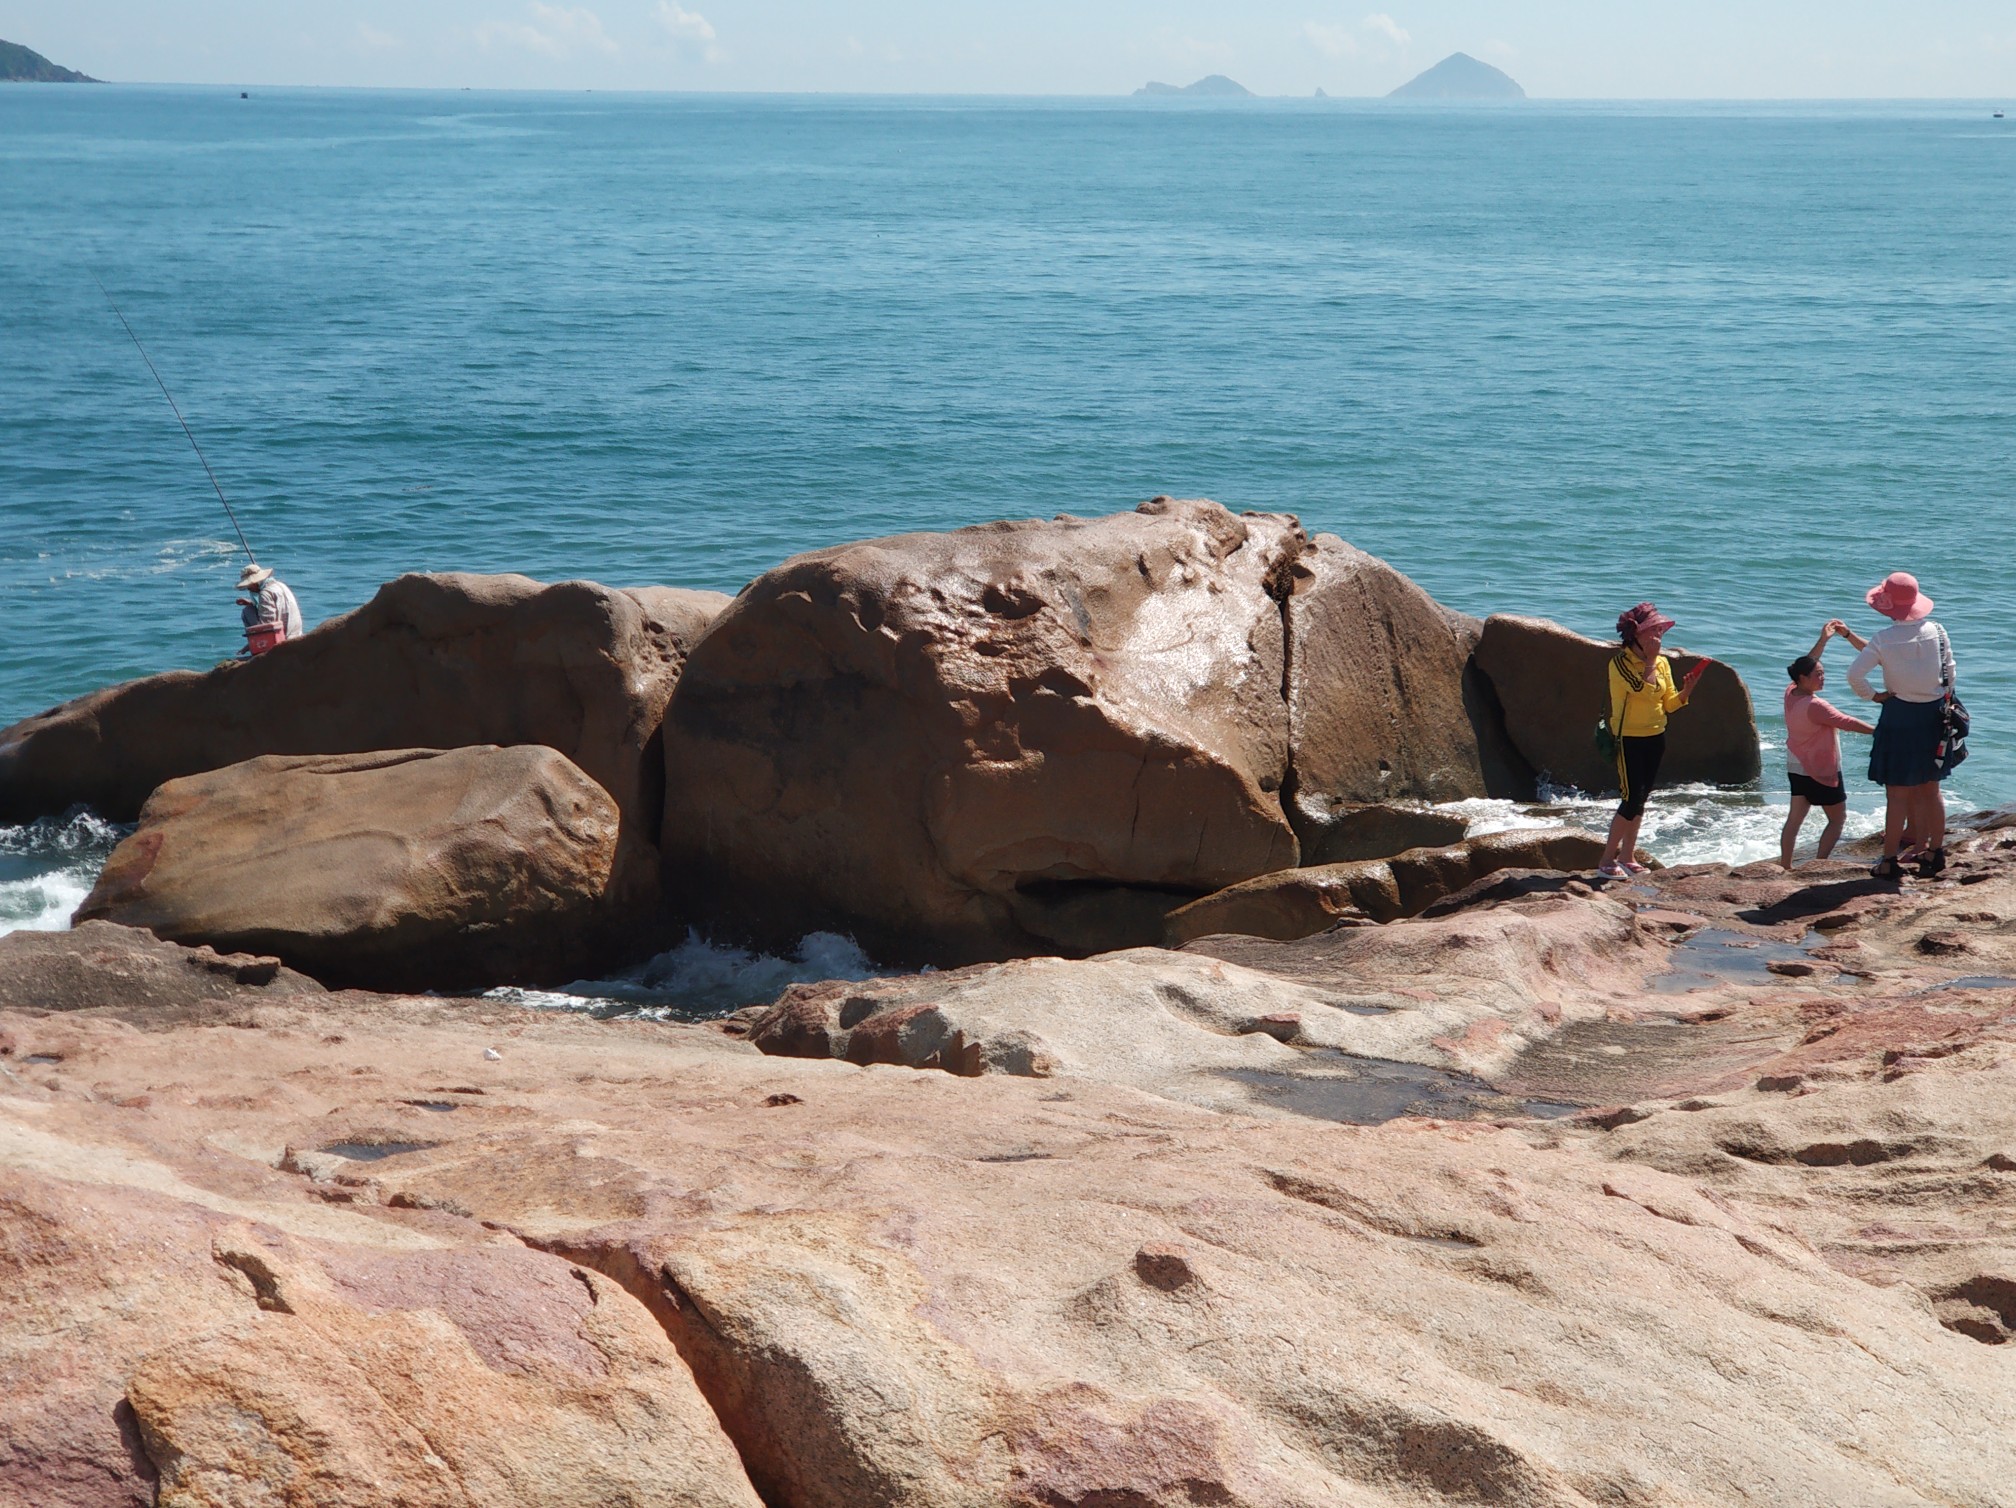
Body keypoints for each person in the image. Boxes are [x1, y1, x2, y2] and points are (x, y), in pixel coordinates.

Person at [1847, 571, 1957, 879]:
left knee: (1897, 796)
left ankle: (1888, 861)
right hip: (1934, 715)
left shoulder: (1883, 639)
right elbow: (1950, 672)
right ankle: (1935, 853)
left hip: (1899, 716)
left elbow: (1854, 676)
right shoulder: (1937, 630)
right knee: (1931, 789)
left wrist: (1875, 696)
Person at [1597, 601, 1708, 880]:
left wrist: (1686, 691)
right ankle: (1606, 859)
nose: (1658, 637)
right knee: (1630, 798)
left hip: (1655, 735)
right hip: (1629, 738)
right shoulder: (1620, 663)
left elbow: (1668, 704)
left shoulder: (1662, 662)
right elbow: (1642, 691)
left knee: (1642, 799)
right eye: (1652, 631)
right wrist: (1649, 660)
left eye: (1660, 631)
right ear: (1636, 634)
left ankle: (1627, 855)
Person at [1779, 621, 1875, 869]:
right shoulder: (1815, 705)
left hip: (1796, 766)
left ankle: (1786, 865)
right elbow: (1847, 721)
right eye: (1818, 675)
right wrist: (1879, 731)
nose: (1823, 677)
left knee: (1795, 819)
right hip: (1820, 770)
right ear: (1803, 678)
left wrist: (1824, 640)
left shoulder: (1791, 692)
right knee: (1837, 819)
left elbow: (1807, 662)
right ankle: (1818, 864)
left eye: (1823, 673)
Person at [236, 563, 303, 649]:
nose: (248, 588)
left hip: (284, 637)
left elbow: (267, 622)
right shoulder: (280, 585)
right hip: (296, 633)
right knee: (250, 607)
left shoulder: (265, 593)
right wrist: (252, 603)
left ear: (256, 582)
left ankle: (260, 646)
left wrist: (250, 645)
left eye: (249, 585)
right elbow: (278, 607)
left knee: (247, 612)